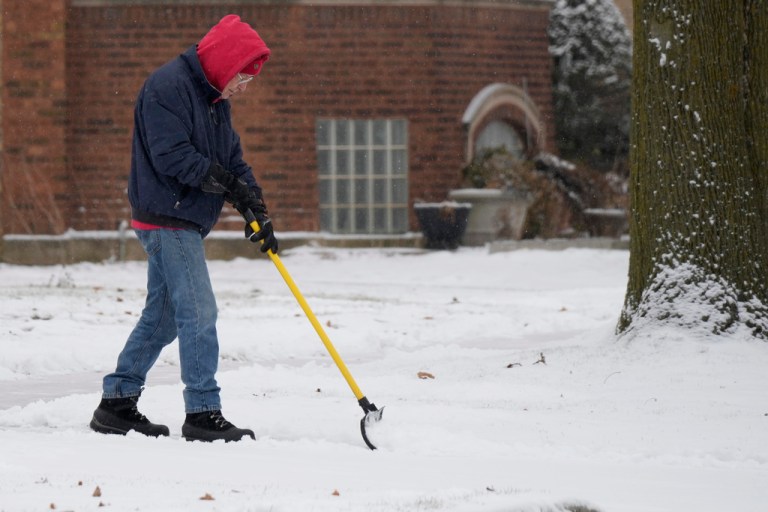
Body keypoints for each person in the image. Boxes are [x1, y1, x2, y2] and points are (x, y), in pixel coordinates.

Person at [89, 14, 278, 442]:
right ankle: (202, 411)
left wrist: (256, 207)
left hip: (182, 218)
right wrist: (227, 185)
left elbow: (232, 161)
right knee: (198, 311)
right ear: (224, 63)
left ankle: (116, 402)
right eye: (241, 78)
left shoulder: (215, 101)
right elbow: (172, 157)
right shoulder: (167, 87)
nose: (243, 88)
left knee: (166, 316)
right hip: (165, 216)